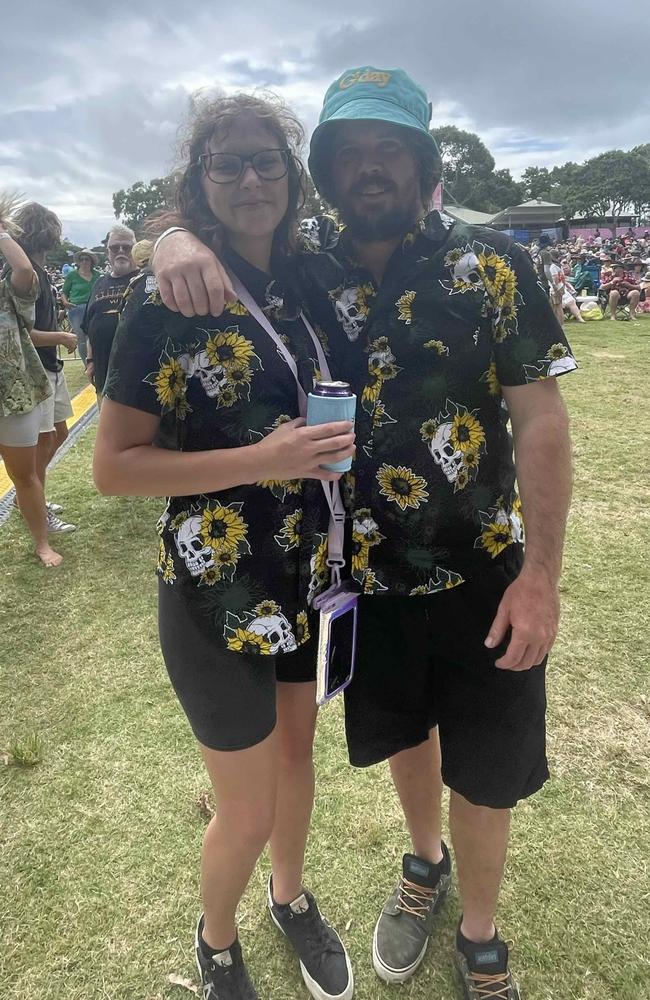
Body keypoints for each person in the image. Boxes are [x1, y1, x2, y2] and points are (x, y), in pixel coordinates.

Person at [151, 66, 578, 1000]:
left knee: (488, 764)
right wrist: (171, 236)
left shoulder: (491, 264)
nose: (369, 168)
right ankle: (421, 866)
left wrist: (541, 573)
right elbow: (226, 233)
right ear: (326, 173)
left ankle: (480, 934)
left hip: (483, 572)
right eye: (349, 153)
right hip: (360, 577)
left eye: (390, 147)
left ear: (423, 160)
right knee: (408, 737)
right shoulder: (315, 272)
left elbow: (540, 420)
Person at [93, 92, 355, 1000]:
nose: (250, 178)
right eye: (228, 163)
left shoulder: (307, 278)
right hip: (214, 593)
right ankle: (215, 943)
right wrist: (267, 456)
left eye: (267, 161)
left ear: (291, 177)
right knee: (245, 807)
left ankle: (290, 899)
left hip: (305, 579)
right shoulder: (163, 299)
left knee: (295, 768)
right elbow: (114, 468)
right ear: (200, 180)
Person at [0, 197, 63, 566]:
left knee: (24, 475)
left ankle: (42, 543)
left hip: (15, 391)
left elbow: (24, 268)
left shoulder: (10, 288)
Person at [14, 202, 77, 534]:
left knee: (58, 434)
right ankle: (33, 505)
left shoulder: (38, 270)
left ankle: (32, 496)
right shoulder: (26, 276)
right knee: (43, 440)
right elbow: (20, 333)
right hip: (36, 370)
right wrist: (62, 336)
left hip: (52, 365)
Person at [82, 226, 138, 405]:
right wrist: (90, 361)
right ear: (108, 252)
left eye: (127, 247)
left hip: (139, 376)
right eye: (115, 248)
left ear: (135, 249)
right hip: (104, 374)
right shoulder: (99, 283)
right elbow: (89, 326)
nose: (120, 252)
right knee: (108, 431)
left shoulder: (148, 280)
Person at [60, 249, 101, 365]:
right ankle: (87, 364)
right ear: (78, 262)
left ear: (91, 261)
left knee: (95, 335)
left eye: (86, 259)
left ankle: (97, 362)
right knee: (82, 339)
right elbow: (64, 292)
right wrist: (66, 303)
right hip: (77, 308)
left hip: (94, 307)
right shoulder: (72, 275)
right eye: (81, 259)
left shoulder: (98, 275)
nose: (84, 262)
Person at [549, 252, 586, 323]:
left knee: (558, 306)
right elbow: (562, 279)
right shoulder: (559, 266)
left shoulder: (553, 266)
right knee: (561, 305)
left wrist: (555, 287)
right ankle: (577, 319)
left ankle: (560, 322)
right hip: (562, 287)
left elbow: (556, 279)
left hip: (556, 288)